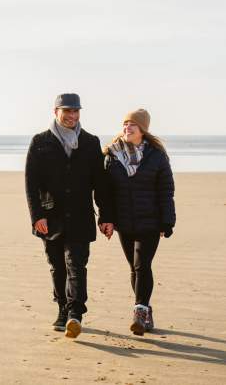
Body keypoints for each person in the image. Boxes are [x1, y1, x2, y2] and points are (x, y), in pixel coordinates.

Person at [25, 93, 113, 339]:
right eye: (67, 111)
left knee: (76, 265)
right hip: (50, 218)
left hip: (81, 216)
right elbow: (31, 184)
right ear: (56, 112)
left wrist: (106, 216)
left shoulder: (90, 142)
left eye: (76, 111)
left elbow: (100, 184)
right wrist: (37, 216)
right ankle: (62, 309)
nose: (72, 116)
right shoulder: (40, 142)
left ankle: (75, 313)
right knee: (57, 267)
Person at [103, 109, 176, 336]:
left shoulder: (156, 156)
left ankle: (139, 312)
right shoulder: (112, 156)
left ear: (142, 129)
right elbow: (106, 192)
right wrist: (107, 219)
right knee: (134, 269)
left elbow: (166, 191)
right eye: (125, 124)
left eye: (132, 124)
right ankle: (146, 309)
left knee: (141, 265)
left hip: (150, 222)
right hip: (124, 222)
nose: (127, 128)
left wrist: (167, 221)